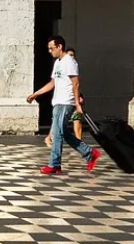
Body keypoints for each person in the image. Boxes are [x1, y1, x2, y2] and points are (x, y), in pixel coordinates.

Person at [26, 34, 98, 175]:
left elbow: (75, 83)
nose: (50, 51)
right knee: (63, 133)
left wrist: (77, 103)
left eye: (52, 48)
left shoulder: (69, 62)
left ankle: (54, 164)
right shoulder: (58, 63)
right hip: (58, 102)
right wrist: (36, 94)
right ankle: (90, 154)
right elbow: (53, 83)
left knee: (57, 133)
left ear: (60, 47)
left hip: (66, 102)